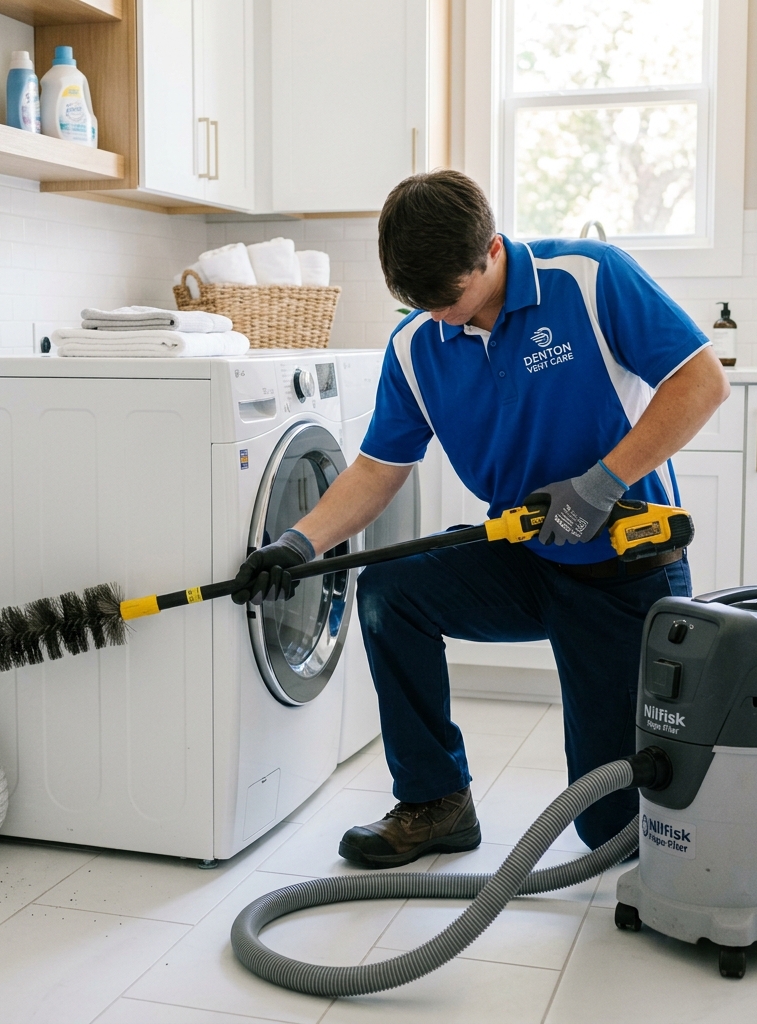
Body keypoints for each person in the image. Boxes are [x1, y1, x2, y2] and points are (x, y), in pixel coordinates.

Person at [231, 170, 729, 868]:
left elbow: (701, 382)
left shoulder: (588, 279)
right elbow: (379, 466)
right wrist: (300, 540)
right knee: (390, 591)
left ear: (491, 250)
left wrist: (599, 485)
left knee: (611, 827)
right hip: (525, 555)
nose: (442, 319)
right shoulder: (416, 345)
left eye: (451, 298)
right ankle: (436, 803)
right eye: (422, 304)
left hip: (624, 566)